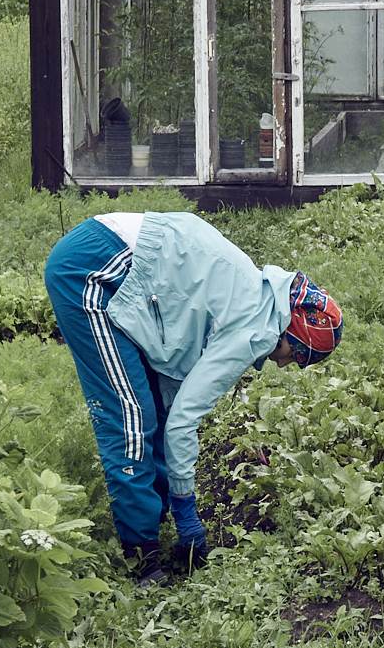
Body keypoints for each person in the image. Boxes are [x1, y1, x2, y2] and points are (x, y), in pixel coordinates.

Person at [44, 210, 343, 586]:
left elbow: (173, 397)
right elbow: (184, 422)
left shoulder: (254, 292)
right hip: (91, 270)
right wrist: (186, 509)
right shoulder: (255, 328)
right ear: (292, 334)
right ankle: (143, 560)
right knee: (132, 418)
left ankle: (152, 522)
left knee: (153, 407)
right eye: (296, 357)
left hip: (113, 255)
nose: (285, 366)